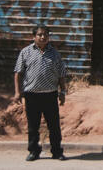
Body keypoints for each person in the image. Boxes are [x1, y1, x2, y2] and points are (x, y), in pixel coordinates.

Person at [13, 24, 67, 161]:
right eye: (40, 34)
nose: (43, 37)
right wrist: (17, 92)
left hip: (50, 95)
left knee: (54, 126)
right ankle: (34, 151)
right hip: (31, 96)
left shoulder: (55, 54)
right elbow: (18, 73)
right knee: (33, 126)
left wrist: (63, 92)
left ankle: (57, 152)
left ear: (49, 37)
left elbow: (61, 74)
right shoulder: (26, 52)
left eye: (45, 35)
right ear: (34, 37)